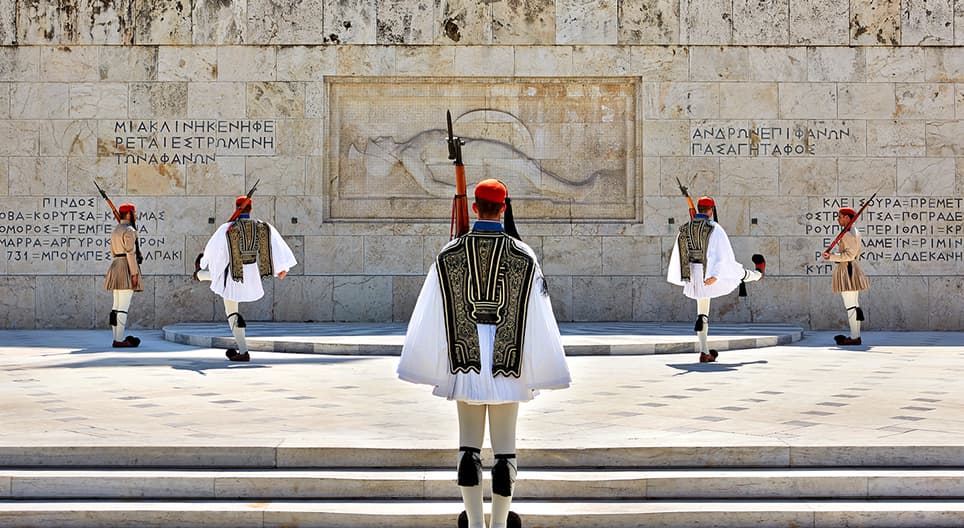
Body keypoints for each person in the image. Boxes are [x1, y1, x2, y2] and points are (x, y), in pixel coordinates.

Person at [398, 179, 571, 528]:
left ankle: (476, 524)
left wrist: (434, 363)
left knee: (468, 449)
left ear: (475, 208)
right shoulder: (525, 255)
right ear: (504, 208)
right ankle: (501, 521)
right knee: (505, 451)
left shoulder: (448, 254)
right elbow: (538, 317)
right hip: (510, 366)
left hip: (466, 366)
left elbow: (431, 312)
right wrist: (541, 367)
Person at [195, 195, 297, 361]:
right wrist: (281, 268)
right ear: (251, 209)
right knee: (222, 291)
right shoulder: (262, 226)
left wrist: (204, 262)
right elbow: (276, 245)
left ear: (237, 208)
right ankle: (199, 275)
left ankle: (243, 351)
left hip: (234, 274)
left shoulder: (227, 228)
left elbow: (214, 250)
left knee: (232, 312)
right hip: (251, 274)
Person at [667, 196, 765, 363]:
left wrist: (687, 276)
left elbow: (681, 253)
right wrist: (716, 276)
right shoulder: (714, 228)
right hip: (710, 274)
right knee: (736, 272)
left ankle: (705, 352)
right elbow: (722, 256)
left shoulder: (684, 228)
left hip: (693, 275)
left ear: (699, 208)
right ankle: (758, 274)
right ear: (711, 210)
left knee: (702, 313)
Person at [822, 207, 869, 346]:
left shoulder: (849, 234)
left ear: (848, 218)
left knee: (851, 306)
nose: (838, 219)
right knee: (854, 306)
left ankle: (855, 338)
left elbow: (850, 255)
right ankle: (855, 335)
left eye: (840, 216)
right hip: (849, 268)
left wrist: (831, 256)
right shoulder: (852, 232)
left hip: (847, 270)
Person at [104, 202, 143, 348]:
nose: (136, 215)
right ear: (129, 214)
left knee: (116, 306)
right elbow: (130, 253)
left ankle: (117, 337)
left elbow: (113, 251)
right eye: (134, 212)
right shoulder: (130, 230)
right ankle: (119, 340)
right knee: (123, 308)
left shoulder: (116, 229)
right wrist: (134, 273)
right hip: (126, 266)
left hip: (116, 265)